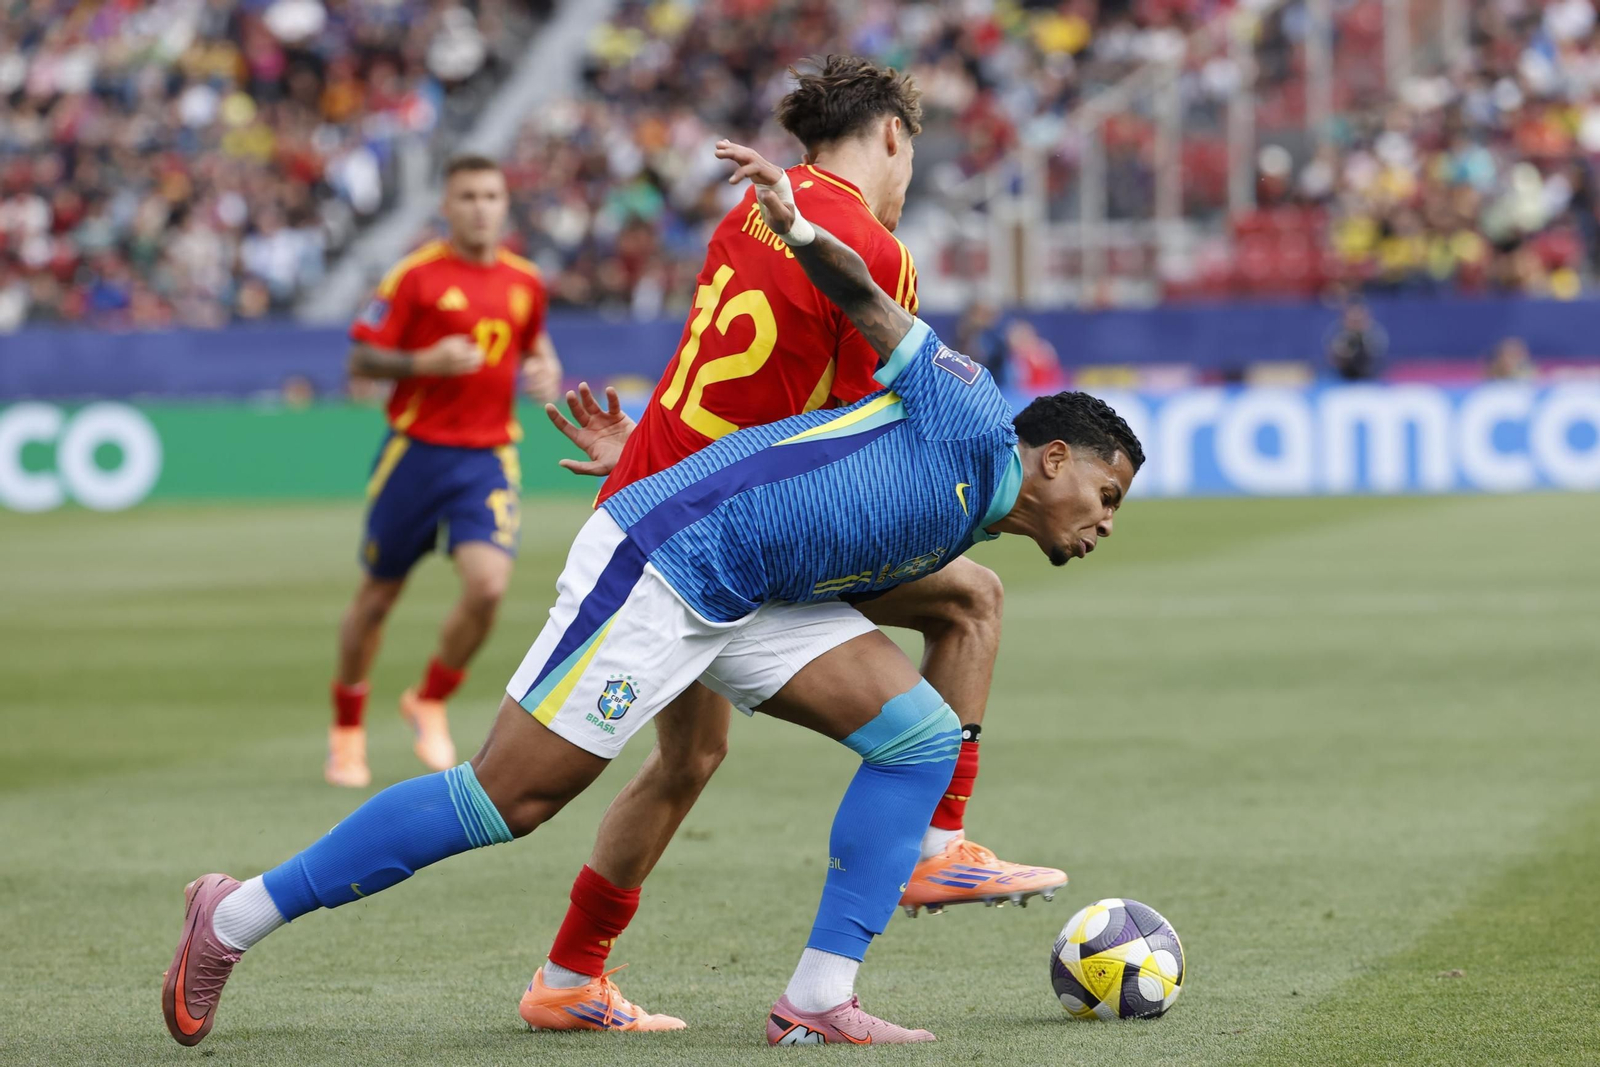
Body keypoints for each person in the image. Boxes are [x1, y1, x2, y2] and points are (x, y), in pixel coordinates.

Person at [161, 137, 1142, 1049]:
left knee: (918, 737)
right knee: (508, 794)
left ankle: (814, 998)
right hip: (665, 563)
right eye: (1106, 493)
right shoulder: (970, 411)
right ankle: (234, 912)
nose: (1104, 520)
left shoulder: (971, 518)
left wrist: (641, 450)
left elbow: (787, 460)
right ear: (1051, 458)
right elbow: (876, 314)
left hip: (745, 592)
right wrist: (799, 233)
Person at [523, 56, 1065, 1030]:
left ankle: (570, 974)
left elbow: (727, 375)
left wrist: (644, 447)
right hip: (724, 532)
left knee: (689, 757)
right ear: (892, 136)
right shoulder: (865, 246)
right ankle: (940, 841)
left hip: (665, 488)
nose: (908, 180)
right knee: (971, 594)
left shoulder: (748, 209)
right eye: (913, 154)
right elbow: (860, 435)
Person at [325, 155, 564, 788]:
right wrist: (422, 362)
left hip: (487, 455)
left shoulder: (525, 280)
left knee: (487, 589)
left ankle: (428, 698)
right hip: (416, 452)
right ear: (447, 207)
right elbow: (361, 356)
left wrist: (544, 368)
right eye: (468, 196)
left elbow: (536, 344)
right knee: (377, 598)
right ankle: (347, 730)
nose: (482, 207)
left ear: (505, 204)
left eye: (491, 195)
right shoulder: (416, 277)